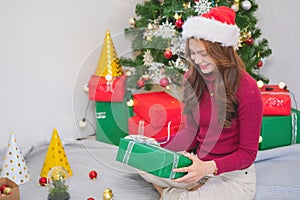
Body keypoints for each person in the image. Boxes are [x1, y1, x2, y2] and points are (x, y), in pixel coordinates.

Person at [140, 6, 263, 200]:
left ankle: (169, 193)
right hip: (197, 166)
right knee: (140, 161)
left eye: (204, 54)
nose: (197, 60)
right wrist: (157, 148)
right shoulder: (192, 78)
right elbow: (190, 132)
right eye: (193, 53)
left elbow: (247, 154)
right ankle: (184, 190)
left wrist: (209, 168)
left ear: (221, 50)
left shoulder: (246, 87)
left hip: (232, 175)